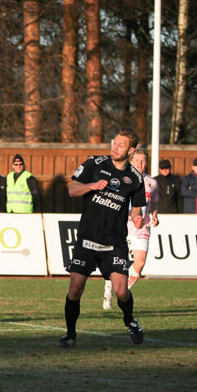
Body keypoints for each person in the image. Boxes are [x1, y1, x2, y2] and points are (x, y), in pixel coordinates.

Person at [59, 127, 146, 348]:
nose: (115, 147)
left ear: (131, 150)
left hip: (114, 242)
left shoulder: (135, 178)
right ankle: (70, 334)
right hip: (87, 239)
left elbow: (136, 209)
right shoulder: (95, 164)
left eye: (120, 145)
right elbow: (72, 190)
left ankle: (130, 320)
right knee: (75, 288)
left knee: (121, 291)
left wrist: (137, 219)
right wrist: (91, 186)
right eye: (114, 142)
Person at [102, 148, 159, 310]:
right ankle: (110, 287)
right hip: (122, 225)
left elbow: (154, 202)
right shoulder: (121, 180)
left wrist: (155, 215)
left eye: (144, 161)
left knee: (139, 264)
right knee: (116, 262)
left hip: (142, 226)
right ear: (131, 161)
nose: (141, 164)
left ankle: (119, 290)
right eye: (138, 161)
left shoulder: (152, 183)